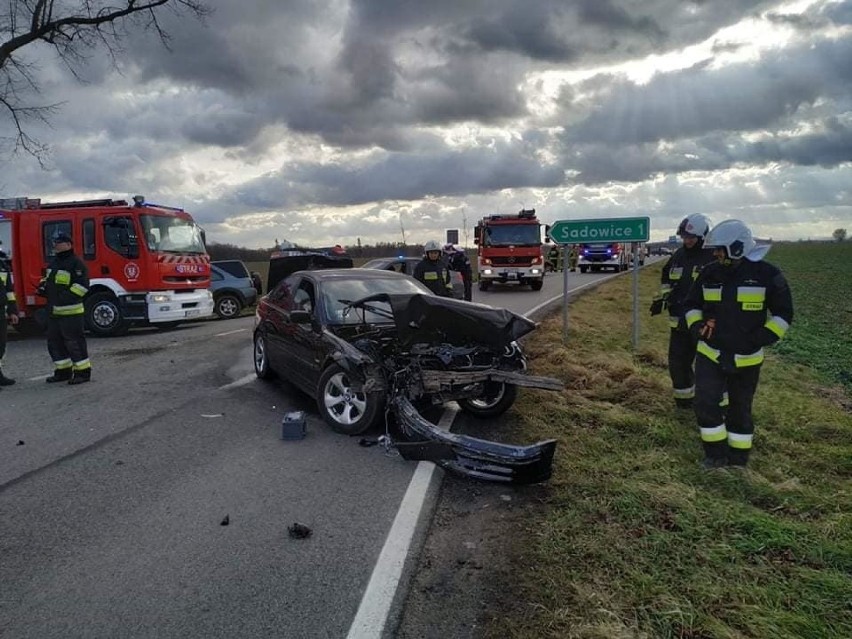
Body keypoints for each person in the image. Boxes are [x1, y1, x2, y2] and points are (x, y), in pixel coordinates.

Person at [683, 219, 793, 470]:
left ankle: (739, 460)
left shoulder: (768, 275)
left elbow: (783, 314)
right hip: (710, 353)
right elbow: (691, 305)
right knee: (705, 403)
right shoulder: (710, 273)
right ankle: (715, 455)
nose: (717, 254)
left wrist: (760, 338)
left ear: (737, 247)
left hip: (748, 358)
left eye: (721, 249)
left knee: (740, 410)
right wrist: (697, 328)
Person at [650, 214, 716, 409]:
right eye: (684, 237)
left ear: (702, 237)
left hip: (704, 324)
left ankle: (711, 404)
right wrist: (665, 298)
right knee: (678, 365)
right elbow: (666, 277)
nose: (687, 241)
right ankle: (684, 403)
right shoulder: (678, 255)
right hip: (679, 323)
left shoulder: (713, 257)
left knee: (708, 366)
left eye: (691, 238)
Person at [39, 231, 92, 385]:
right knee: (55, 343)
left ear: (68, 245)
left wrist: (63, 298)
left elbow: (82, 286)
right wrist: (43, 287)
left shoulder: (76, 263)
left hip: (71, 312)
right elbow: (47, 279)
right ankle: (63, 371)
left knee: (75, 343)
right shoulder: (54, 263)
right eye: (55, 242)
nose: (55, 245)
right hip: (54, 312)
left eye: (59, 242)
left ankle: (82, 372)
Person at [0, 247, 19, 387]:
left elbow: (9, 291)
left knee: (1, 345)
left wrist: (13, 311)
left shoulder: (2, 265)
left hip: (1, 311)